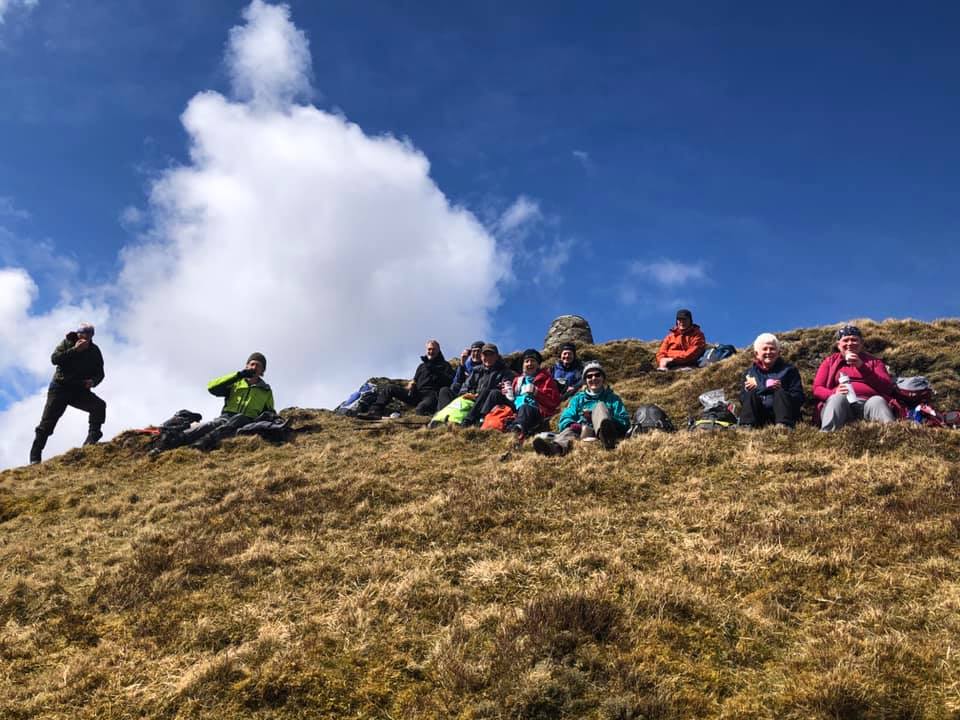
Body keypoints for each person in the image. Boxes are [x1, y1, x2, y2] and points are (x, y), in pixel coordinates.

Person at [160, 352, 275, 451]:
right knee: (209, 425)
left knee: (240, 419)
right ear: (247, 366)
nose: (254, 367)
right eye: (252, 364)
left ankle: (202, 443)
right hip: (225, 417)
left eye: (258, 366)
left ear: (262, 371)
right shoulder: (236, 383)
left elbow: (270, 412)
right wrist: (238, 375)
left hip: (246, 422)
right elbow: (212, 387)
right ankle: (173, 441)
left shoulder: (266, 391)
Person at [30, 322, 106, 465]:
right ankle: (35, 457)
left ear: (91, 335)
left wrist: (93, 382)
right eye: (80, 332)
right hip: (60, 388)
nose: (82, 335)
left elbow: (100, 372)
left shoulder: (94, 351)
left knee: (99, 406)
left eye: (87, 333)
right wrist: (74, 350)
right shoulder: (67, 342)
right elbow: (55, 359)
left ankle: (92, 439)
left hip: (79, 389)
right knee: (47, 423)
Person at [533, 361, 629, 455]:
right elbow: (566, 417)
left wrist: (608, 420)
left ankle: (607, 439)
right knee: (568, 431)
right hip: (582, 431)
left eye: (597, 375)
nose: (593, 378)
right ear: (585, 381)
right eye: (589, 376)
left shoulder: (613, 398)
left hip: (606, 432)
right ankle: (555, 449)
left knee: (600, 406)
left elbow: (624, 420)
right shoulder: (577, 399)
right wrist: (576, 425)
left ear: (603, 378)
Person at [812, 325, 897, 431]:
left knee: (877, 401)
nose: (850, 343)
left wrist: (862, 367)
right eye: (845, 340)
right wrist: (833, 393)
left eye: (854, 340)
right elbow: (817, 389)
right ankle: (828, 436)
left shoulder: (875, 362)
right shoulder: (829, 362)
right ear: (839, 345)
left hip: (868, 405)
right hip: (841, 407)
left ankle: (892, 436)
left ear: (861, 343)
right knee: (836, 399)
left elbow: (887, 388)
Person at [365, 340, 454, 418]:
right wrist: (411, 384)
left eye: (433, 349)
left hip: (431, 396)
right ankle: (374, 411)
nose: (431, 351)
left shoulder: (445, 365)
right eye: (429, 349)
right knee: (390, 388)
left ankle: (426, 422)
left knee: (420, 408)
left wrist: (433, 370)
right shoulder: (422, 366)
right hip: (416, 394)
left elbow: (449, 381)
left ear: (438, 350)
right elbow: (414, 380)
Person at [739, 333, 804, 429]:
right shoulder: (749, 373)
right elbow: (743, 398)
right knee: (750, 393)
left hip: (784, 414)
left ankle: (783, 427)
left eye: (772, 349)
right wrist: (762, 387)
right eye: (765, 349)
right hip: (759, 416)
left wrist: (782, 392)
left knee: (780, 392)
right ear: (757, 354)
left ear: (778, 352)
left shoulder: (789, 370)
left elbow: (799, 397)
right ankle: (746, 426)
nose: (768, 352)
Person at [506, 349, 562, 437]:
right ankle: (481, 425)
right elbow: (512, 397)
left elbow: (554, 402)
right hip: (516, 409)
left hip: (535, 411)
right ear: (523, 365)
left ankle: (517, 430)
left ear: (538, 365)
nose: (529, 364)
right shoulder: (517, 380)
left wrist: (536, 393)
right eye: (526, 361)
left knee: (525, 407)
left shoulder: (546, 379)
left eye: (532, 361)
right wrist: (505, 394)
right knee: (494, 394)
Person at [457, 343, 516, 427]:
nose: (488, 357)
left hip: (499, 401)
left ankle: (474, 419)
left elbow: (508, 391)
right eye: (485, 354)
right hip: (476, 400)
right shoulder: (476, 371)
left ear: (496, 356)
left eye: (491, 354)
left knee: (490, 392)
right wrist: (470, 394)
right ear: (481, 357)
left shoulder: (505, 372)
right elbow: (464, 388)